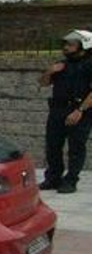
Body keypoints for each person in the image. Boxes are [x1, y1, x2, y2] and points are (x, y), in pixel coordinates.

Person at [39, 30, 92, 194]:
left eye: (70, 45)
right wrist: (50, 71)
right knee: (52, 145)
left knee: (76, 148)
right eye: (65, 44)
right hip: (57, 110)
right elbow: (43, 83)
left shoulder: (89, 64)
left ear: (83, 46)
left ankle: (70, 180)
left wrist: (79, 111)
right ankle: (53, 177)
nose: (66, 48)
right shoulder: (62, 64)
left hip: (79, 110)